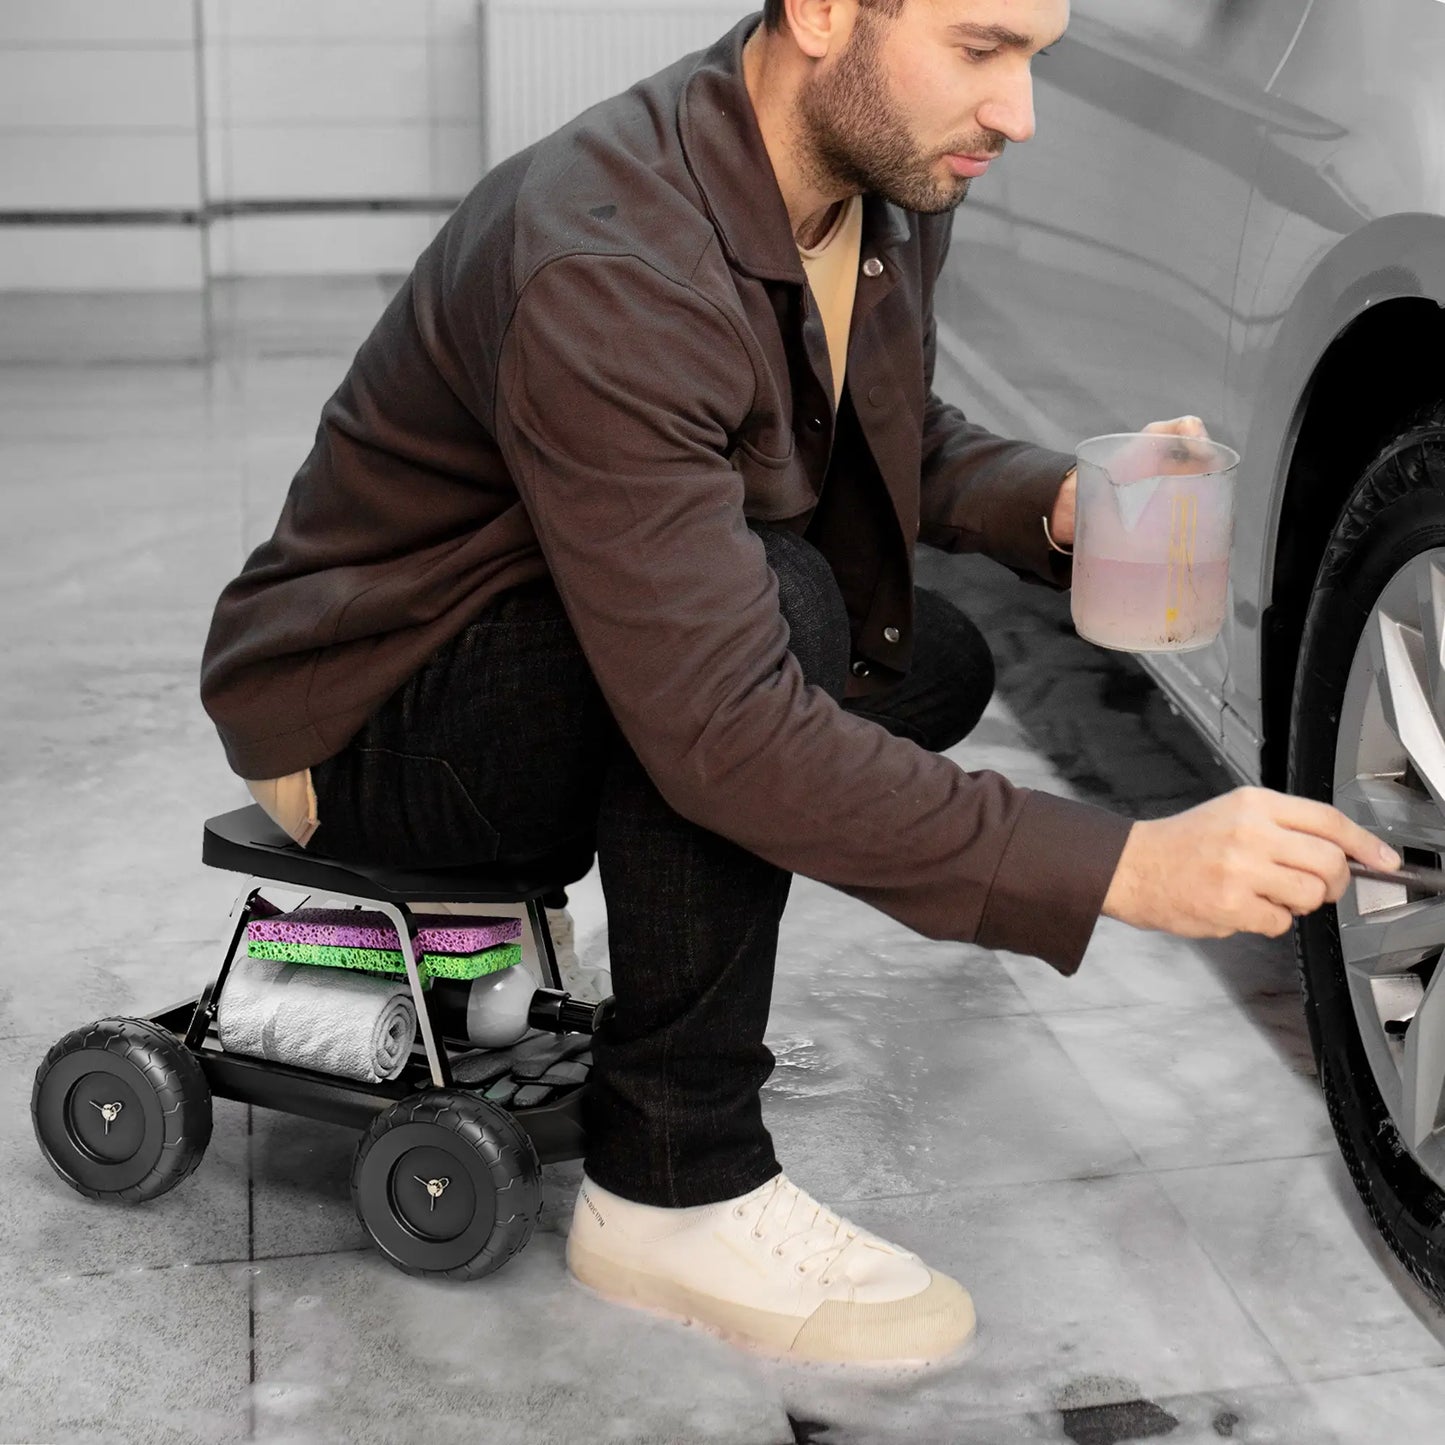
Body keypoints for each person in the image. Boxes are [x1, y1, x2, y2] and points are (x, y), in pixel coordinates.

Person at [199, 0, 1398, 1368]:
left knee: (923, 656)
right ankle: (671, 1178)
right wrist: (1123, 866)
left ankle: (668, 944)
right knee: (778, 630)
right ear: (823, 12)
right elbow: (722, 729)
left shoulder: (870, 184)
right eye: (979, 47)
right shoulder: (612, 254)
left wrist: (1053, 501)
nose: (1019, 114)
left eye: (1033, 59)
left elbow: (872, 429)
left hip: (532, 633)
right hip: (367, 715)